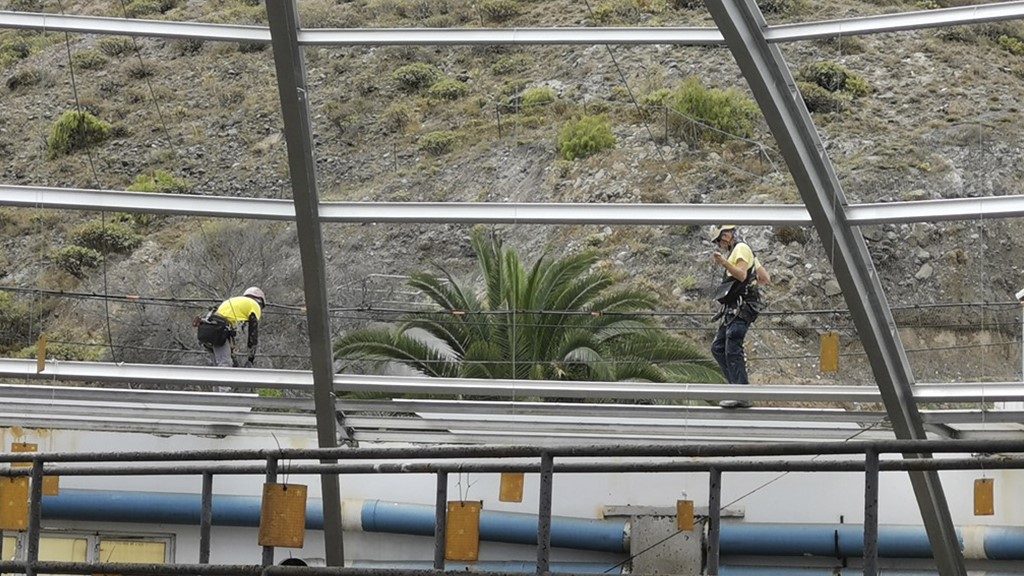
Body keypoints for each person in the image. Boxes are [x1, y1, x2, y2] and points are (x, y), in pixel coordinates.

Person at [709, 225, 768, 408]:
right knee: (719, 347)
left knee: (732, 347)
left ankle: (741, 393)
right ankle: (736, 388)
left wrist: (724, 263)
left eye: (720, 240)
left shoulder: (741, 248)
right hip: (737, 307)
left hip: (740, 307)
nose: (720, 244)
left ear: (727, 235)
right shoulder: (745, 251)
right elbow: (765, 278)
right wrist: (751, 283)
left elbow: (742, 275)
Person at [196, 286, 266, 370]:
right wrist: (251, 358)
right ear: (260, 302)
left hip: (207, 330)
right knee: (226, 364)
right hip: (218, 331)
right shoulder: (254, 305)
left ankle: (216, 382)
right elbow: (253, 334)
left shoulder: (237, 301)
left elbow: (225, 323)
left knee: (220, 366)